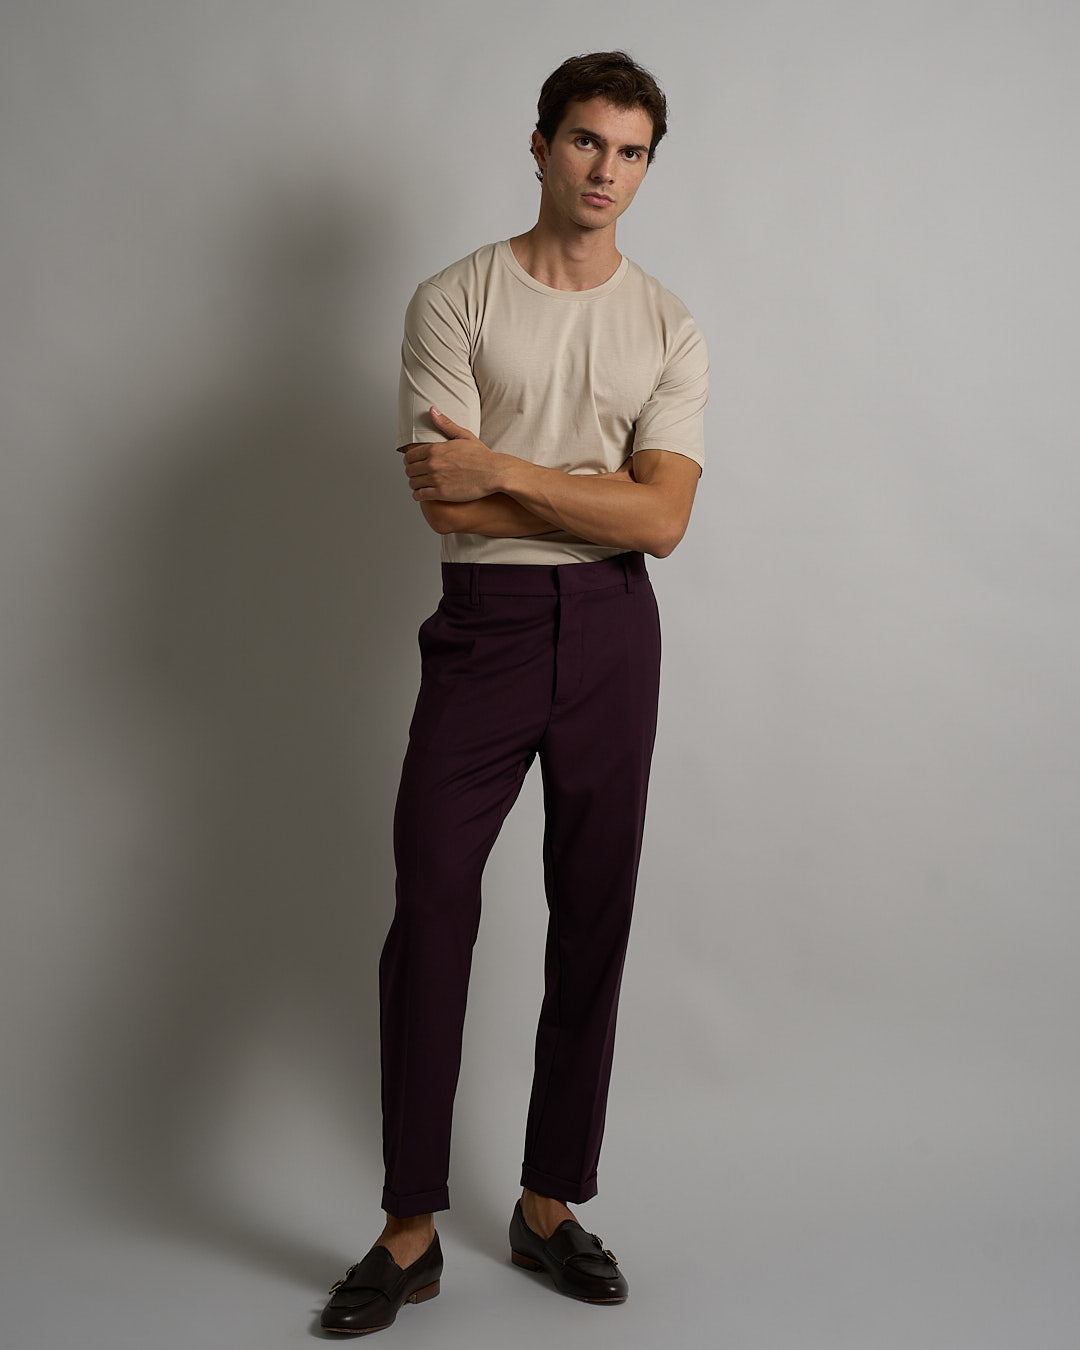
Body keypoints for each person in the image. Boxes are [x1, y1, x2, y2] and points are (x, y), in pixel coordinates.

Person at [321, 49, 708, 1335]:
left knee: (594, 911)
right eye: (587, 141)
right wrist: (586, 490)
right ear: (540, 145)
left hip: (612, 634)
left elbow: (663, 524)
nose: (607, 170)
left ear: (647, 167)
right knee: (432, 903)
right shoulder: (457, 298)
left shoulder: (668, 324)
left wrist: (512, 472)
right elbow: (446, 497)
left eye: (632, 152)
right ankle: (409, 1226)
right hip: (482, 629)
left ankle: (548, 1202)